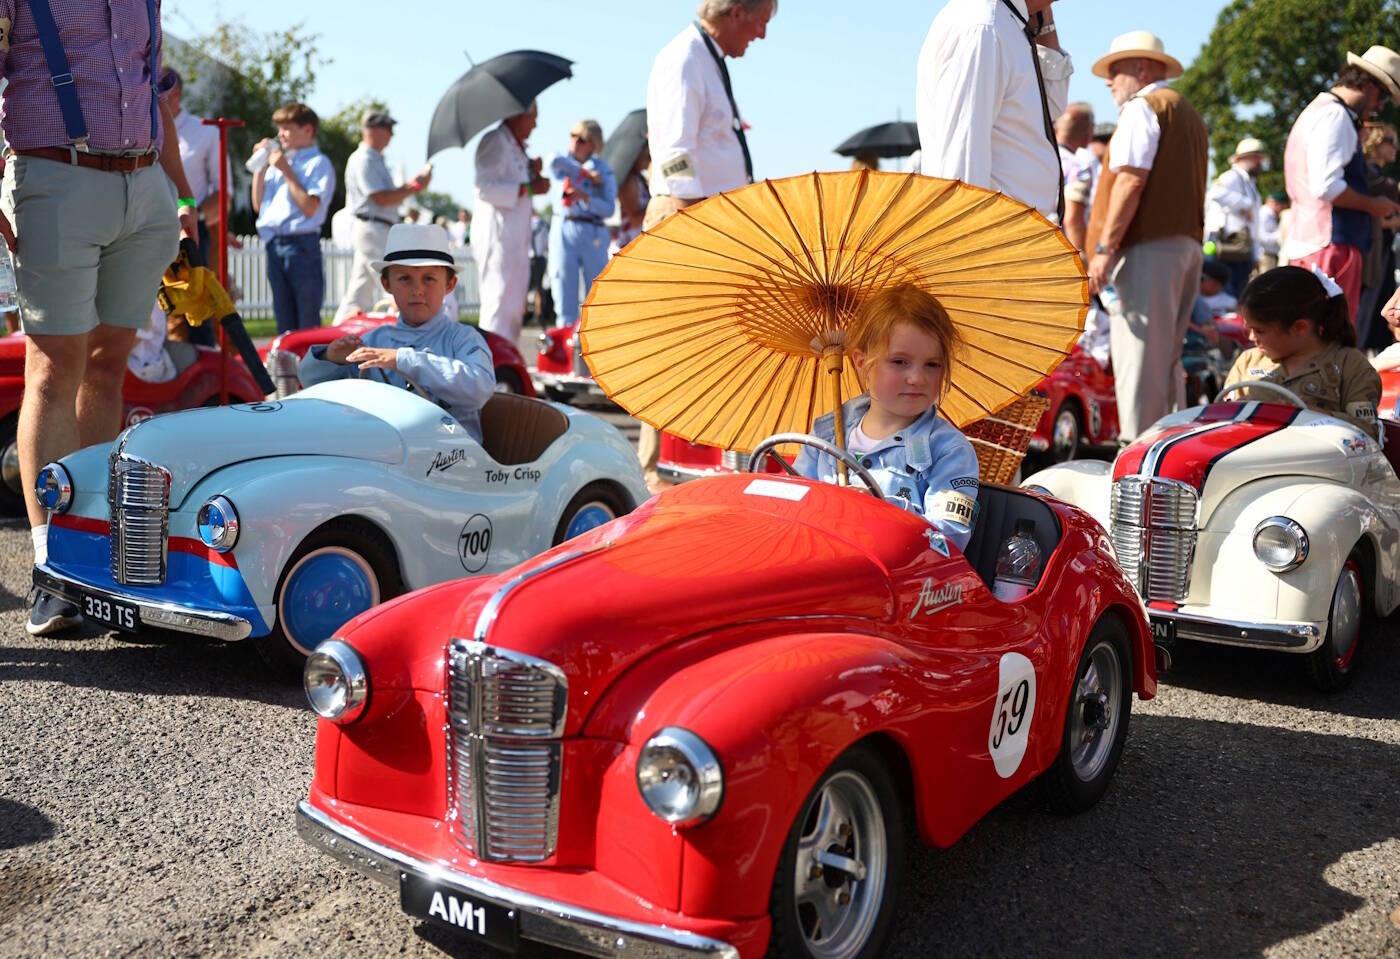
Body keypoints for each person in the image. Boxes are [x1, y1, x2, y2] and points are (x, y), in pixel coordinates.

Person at [3, 0, 200, 635]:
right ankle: (54, 571)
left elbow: (152, 91)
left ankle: (93, 556)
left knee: (108, 365)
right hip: (56, 175)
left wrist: (183, 195)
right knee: (55, 367)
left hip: (144, 187)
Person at [640, 0, 774, 488]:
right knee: (678, 348)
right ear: (738, 11)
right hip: (688, 216)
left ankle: (697, 467)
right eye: (761, 22)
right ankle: (654, 475)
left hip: (703, 216)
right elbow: (675, 152)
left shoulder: (702, 57)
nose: (760, 36)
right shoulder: (686, 58)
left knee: (708, 346)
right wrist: (691, 228)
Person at [1085, 30, 1208, 443]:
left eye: (1114, 70)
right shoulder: (1187, 112)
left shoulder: (1143, 108)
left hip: (1147, 249)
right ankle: (1164, 453)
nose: (1108, 81)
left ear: (1140, 68)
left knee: (1139, 361)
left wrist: (1104, 247)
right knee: (1166, 362)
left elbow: (1130, 181)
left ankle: (1137, 459)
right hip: (1183, 246)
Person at [793, 284, 980, 552]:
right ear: (861, 362)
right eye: (900, 362)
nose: (917, 378)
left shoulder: (949, 451)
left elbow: (948, 542)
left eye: (932, 365)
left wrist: (878, 509)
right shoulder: (826, 437)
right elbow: (791, 506)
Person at [300, 223, 495, 441]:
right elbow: (310, 384)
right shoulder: (374, 341)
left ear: (449, 285)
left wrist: (402, 359)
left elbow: (480, 389)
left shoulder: (463, 338)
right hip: (387, 458)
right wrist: (331, 359)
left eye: (429, 278)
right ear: (386, 284)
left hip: (454, 461)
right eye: (404, 278)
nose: (417, 290)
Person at [916, 0, 1072, 221]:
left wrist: (1043, 19)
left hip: (1011, 233)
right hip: (993, 237)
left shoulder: (1003, 22)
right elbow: (961, 167)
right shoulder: (983, 27)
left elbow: (1052, 107)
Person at [1283, 46, 1400, 327]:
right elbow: (1327, 187)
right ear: (1368, 85)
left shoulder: (1319, 111)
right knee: (1332, 337)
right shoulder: (1336, 117)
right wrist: (1375, 205)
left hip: (1314, 242)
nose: (1380, 106)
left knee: (1312, 334)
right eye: (1382, 96)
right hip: (1332, 245)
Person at [1225, 265, 1381, 440]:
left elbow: (1369, 435)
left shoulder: (1349, 365)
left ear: (1300, 327)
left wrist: (1313, 416)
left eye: (1260, 331)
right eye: (1249, 329)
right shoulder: (1247, 362)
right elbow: (1219, 423)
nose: (1252, 337)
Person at [335, 110, 432, 323]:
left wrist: (411, 186)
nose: (391, 135)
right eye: (387, 129)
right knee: (391, 282)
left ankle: (336, 333)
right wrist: (414, 187)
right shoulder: (365, 159)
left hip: (376, 226)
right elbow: (380, 197)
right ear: (373, 129)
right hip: (373, 226)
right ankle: (408, 329)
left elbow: (386, 196)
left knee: (359, 289)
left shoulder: (373, 158)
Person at [252, 102, 335, 335]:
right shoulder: (278, 163)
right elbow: (259, 206)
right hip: (275, 244)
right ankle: (287, 369)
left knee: (307, 320)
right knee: (284, 320)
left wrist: (287, 171)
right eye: (279, 128)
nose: (280, 134)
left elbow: (310, 207)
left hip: (302, 245)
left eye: (287, 128)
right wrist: (259, 166)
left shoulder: (318, 164)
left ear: (307, 130)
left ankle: (308, 370)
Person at [471, 102, 548, 346]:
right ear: (517, 115)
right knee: (498, 303)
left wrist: (533, 173)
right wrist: (528, 187)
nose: (535, 124)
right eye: (532, 117)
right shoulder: (495, 141)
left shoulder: (515, 146)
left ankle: (507, 363)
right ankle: (491, 364)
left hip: (515, 240)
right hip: (498, 238)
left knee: (513, 307)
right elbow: (485, 189)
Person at [549, 119, 616, 328]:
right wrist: (584, 174)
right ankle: (565, 342)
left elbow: (609, 208)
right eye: (572, 135)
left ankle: (595, 344)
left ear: (593, 145)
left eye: (582, 139)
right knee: (562, 287)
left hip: (591, 229)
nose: (575, 142)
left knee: (595, 293)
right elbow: (552, 162)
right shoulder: (562, 161)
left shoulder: (603, 170)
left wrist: (586, 197)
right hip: (563, 226)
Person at [1204, 137, 1267, 297]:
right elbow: (1215, 193)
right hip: (1228, 246)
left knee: (1236, 295)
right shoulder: (1231, 176)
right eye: (1256, 157)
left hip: (1240, 249)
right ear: (1243, 158)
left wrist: (1255, 254)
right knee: (1224, 294)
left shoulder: (1249, 183)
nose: (1259, 162)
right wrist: (1245, 204)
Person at [1357, 121, 1400, 350]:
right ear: (1375, 141)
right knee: (1368, 310)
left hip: (1381, 248)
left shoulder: (1376, 174)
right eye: (1390, 141)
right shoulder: (1369, 173)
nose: (1395, 147)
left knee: (1377, 313)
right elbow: (1379, 218)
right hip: (1372, 250)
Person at [1055, 102, 1094, 254]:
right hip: (1062, 251)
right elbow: (1073, 218)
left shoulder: (1039, 162)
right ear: (1087, 137)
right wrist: (1081, 260)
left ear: (1056, 130)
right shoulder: (1079, 168)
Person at [613, 142, 651, 254]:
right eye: (647, 157)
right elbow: (634, 219)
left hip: (638, 241)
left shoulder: (640, 179)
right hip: (630, 244)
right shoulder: (629, 181)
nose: (649, 161)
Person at [528, 210, 552, 323]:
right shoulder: (543, 226)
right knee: (539, 288)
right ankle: (539, 314)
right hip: (540, 259)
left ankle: (524, 315)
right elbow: (547, 245)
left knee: (524, 289)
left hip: (529, 259)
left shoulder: (527, 224)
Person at [1257, 190, 1287, 273]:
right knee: (1266, 283)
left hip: (1269, 254)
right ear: (1276, 203)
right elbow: (1262, 237)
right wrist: (1282, 235)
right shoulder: (1266, 214)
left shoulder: (1269, 214)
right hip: (1266, 254)